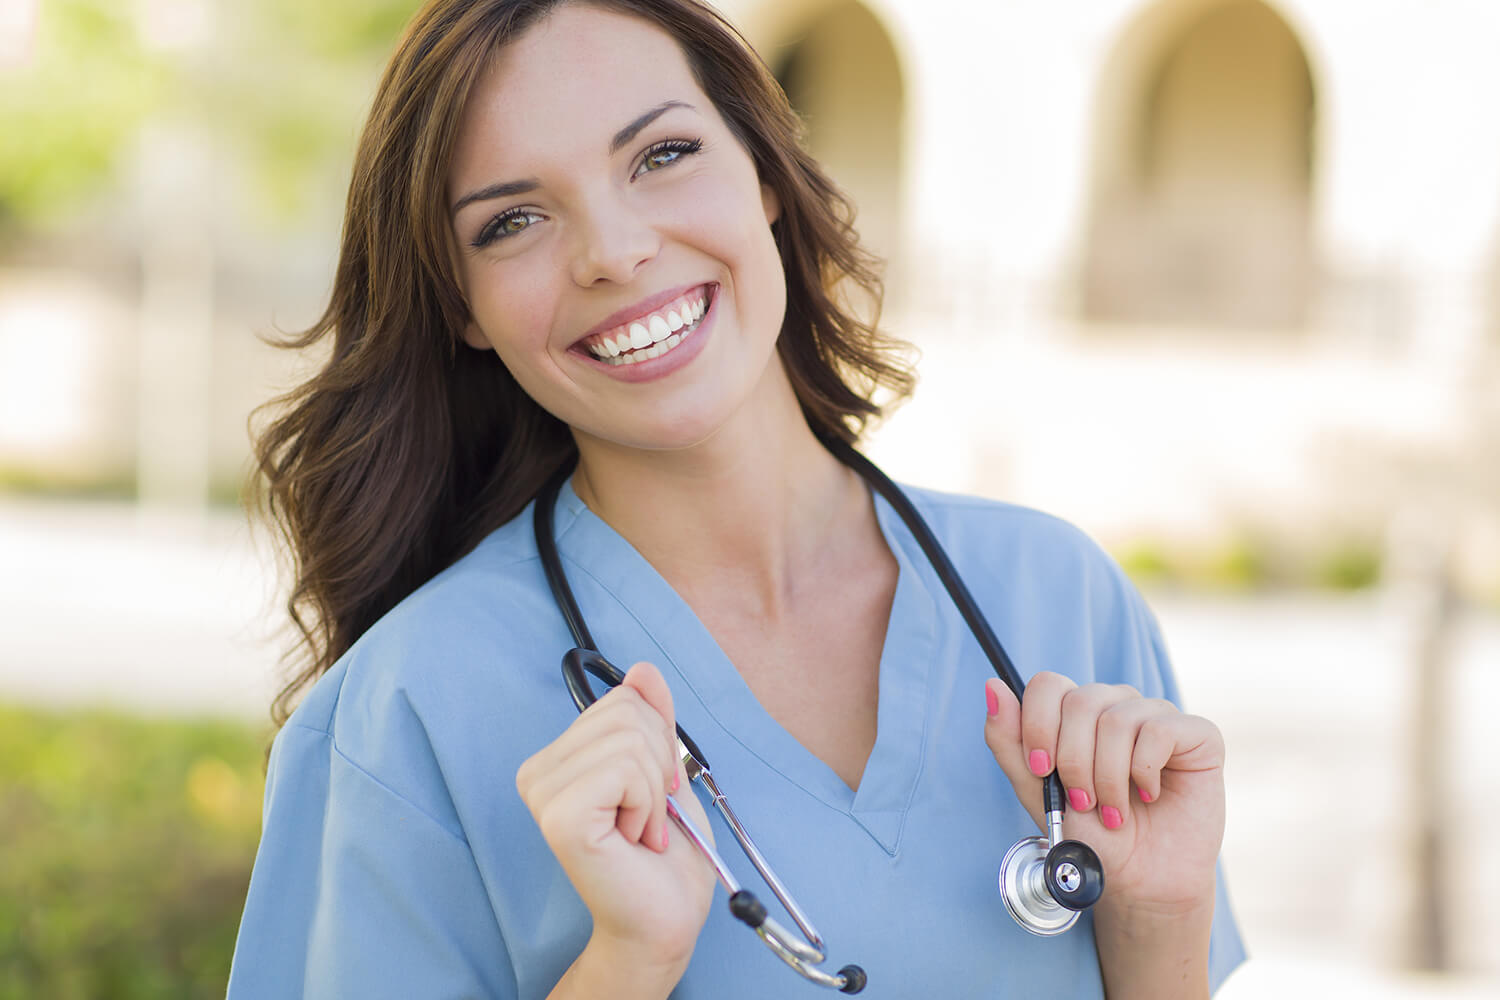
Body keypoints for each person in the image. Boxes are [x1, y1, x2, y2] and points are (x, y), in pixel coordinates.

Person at [227, 0, 1246, 996]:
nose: (614, 252)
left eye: (661, 156)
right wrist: (627, 965)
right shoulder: (400, 718)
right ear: (464, 307)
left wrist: (1158, 926)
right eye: (514, 220)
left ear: (764, 170)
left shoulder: (1058, 600)